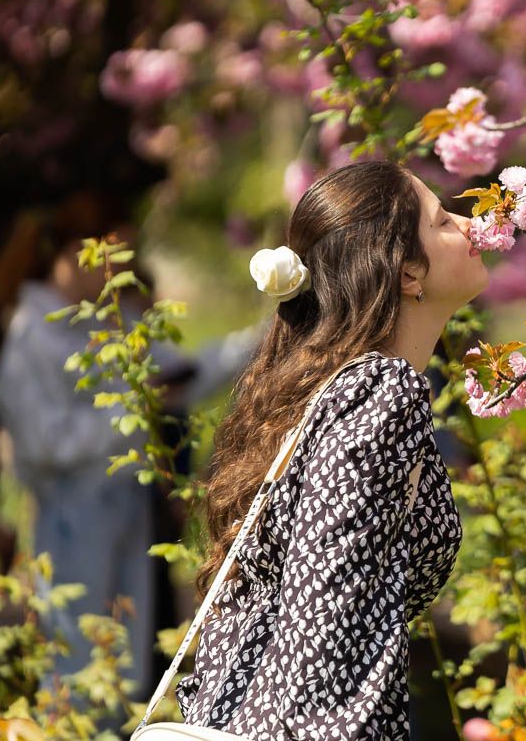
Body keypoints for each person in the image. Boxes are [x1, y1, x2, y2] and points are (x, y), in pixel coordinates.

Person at [174, 159, 483, 739]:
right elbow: (326, 604)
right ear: (407, 272)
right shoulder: (382, 390)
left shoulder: (324, 390)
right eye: (443, 221)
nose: (469, 224)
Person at [0, 197, 264, 698]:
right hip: (71, 519)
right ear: (81, 253)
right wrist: (133, 408)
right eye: (118, 256)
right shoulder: (32, 336)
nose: (125, 270)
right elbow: (44, 442)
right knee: (78, 666)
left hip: (126, 509)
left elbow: (185, 371)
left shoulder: (106, 325)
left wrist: (266, 337)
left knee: (127, 666)